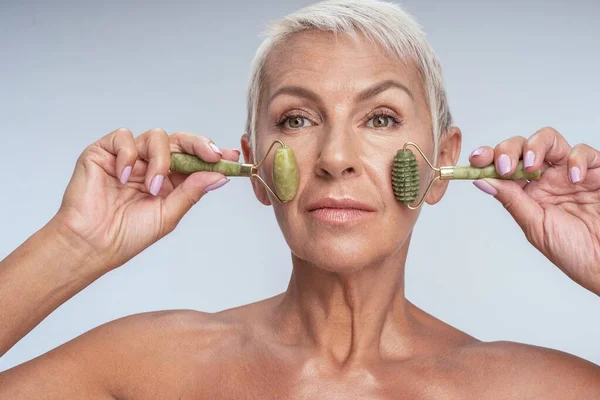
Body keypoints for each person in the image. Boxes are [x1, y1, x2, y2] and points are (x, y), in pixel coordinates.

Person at [1, 0, 599, 398]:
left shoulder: (532, 388)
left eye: (382, 117)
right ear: (255, 167)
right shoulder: (147, 368)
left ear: (442, 162)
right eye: (297, 118)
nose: (335, 157)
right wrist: (75, 244)